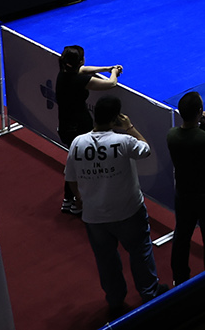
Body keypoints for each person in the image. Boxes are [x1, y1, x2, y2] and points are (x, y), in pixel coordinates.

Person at [64, 96, 163, 316]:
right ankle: (149, 293)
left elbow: (70, 177)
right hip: (129, 211)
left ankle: (115, 299)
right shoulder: (124, 141)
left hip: (94, 216)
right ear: (117, 117)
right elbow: (146, 149)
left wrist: (79, 198)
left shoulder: (77, 143)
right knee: (140, 251)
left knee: (106, 259)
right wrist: (129, 127)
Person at [166, 92, 205, 284]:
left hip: (184, 195)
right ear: (200, 111)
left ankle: (179, 278)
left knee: (182, 236)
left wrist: (201, 127)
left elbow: (193, 142)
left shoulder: (172, 135)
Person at [54, 46, 123, 214]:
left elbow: (84, 69)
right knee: (81, 166)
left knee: (73, 162)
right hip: (79, 128)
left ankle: (68, 199)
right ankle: (78, 202)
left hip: (65, 126)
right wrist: (114, 72)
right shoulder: (80, 81)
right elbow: (111, 84)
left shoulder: (63, 73)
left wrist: (107, 68)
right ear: (80, 61)